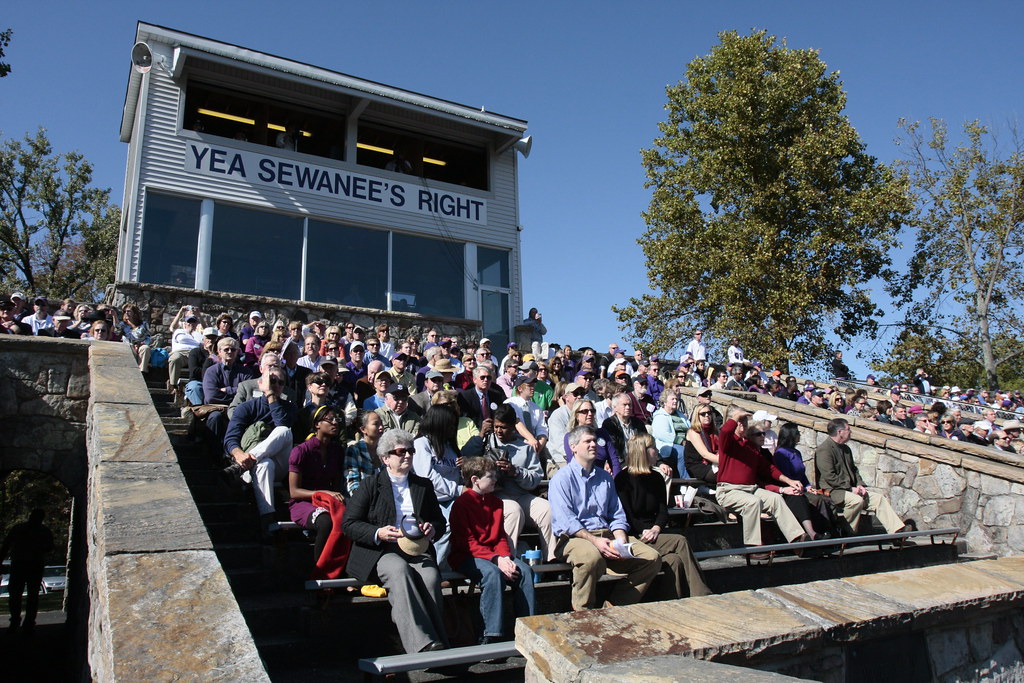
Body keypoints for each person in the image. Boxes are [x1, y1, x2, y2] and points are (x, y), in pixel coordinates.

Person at [341, 429, 449, 653]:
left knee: (430, 576)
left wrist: (431, 528)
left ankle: (440, 641)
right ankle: (422, 643)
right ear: (385, 458)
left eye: (410, 450)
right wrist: (378, 533)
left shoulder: (423, 485)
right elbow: (349, 523)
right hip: (382, 550)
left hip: (416, 548)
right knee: (399, 570)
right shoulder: (371, 485)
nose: (407, 455)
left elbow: (438, 521)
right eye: (400, 452)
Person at [549, 425, 662, 611]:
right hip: (575, 537)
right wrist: (595, 541)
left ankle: (614, 607)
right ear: (573, 446)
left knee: (651, 558)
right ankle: (582, 612)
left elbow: (616, 513)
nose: (594, 445)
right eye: (588, 441)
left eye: (594, 441)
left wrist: (620, 538)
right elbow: (567, 521)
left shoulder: (605, 478)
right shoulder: (561, 479)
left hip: (606, 535)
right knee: (591, 557)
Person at [449, 456, 536, 644]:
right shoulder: (461, 504)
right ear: (475, 480)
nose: (495, 480)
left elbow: (500, 537)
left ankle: (528, 630)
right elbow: (467, 543)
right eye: (490, 476)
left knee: (525, 572)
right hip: (467, 556)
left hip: (493, 554)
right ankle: (490, 635)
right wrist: (497, 559)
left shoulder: (496, 503)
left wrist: (505, 557)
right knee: (491, 574)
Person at [614, 434, 711, 599]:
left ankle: (672, 600)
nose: (657, 452)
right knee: (680, 541)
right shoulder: (623, 480)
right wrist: (646, 531)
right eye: (653, 448)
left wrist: (656, 528)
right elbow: (626, 515)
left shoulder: (656, 477)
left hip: (653, 532)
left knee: (674, 560)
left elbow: (662, 510)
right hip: (634, 535)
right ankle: (702, 594)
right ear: (642, 452)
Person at [461, 405, 554, 560]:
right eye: (496, 427)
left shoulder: (525, 448)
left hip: (521, 494)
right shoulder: (487, 442)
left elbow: (535, 478)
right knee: (514, 511)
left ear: (513, 427)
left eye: (503, 428)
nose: (498, 431)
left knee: (547, 509)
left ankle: (551, 559)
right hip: (495, 496)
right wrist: (481, 434)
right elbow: (466, 455)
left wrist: (515, 471)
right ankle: (506, 559)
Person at [716, 407, 808, 551]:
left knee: (776, 499)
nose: (742, 425)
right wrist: (735, 417)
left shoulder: (750, 447)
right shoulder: (728, 442)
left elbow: (769, 469)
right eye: (739, 422)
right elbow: (725, 432)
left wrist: (789, 481)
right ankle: (752, 546)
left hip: (750, 489)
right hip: (728, 490)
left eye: (745, 422)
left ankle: (797, 537)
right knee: (753, 502)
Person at [224, 367, 298, 531]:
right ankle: (268, 517)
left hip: (281, 462)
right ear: (260, 383)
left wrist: (271, 396)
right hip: (254, 465)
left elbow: (281, 423)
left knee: (284, 430)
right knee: (264, 464)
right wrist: (239, 455)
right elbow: (231, 437)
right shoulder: (247, 407)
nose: (276, 385)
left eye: (280, 382)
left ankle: (239, 468)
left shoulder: (289, 408)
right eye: (272, 381)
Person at [814, 418, 909, 536]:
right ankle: (846, 531)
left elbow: (854, 470)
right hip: (832, 490)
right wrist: (850, 489)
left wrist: (859, 485)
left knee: (878, 499)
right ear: (840, 432)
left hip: (849, 488)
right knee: (856, 501)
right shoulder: (824, 450)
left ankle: (896, 532)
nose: (851, 432)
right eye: (848, 429)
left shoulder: (846, 449)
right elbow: (829, 476)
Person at [288, 406, 346, 564]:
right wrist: (324, 492)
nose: (335, 423)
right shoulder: (301, 451)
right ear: (317, 424)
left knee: (349, 518)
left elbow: (335, 485)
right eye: (330, 419)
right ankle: (320, 570)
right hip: (303, 503)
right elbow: (294, 492)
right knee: (325, 521)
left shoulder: (336, 451)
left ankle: (342, 568)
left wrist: (330, 495)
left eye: (337, 420)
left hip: (327, 500)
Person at [412, 404, 464, 569]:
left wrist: (465, 468)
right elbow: (428, 476)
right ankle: (435, 569)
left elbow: (455, 476)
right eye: (449, 425)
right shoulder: (421, 444)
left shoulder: (450, 447)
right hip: (431, 501)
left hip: (452, 498)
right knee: (447, 523)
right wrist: (458, 490)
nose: (452, 429)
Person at [1, 508, 53, 631]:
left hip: (24, 563)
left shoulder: (20, 529)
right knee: (27, 594)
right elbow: (50, 547)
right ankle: (25, 621)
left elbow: (6, 545)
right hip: (29, 564)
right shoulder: (43, 531)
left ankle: (20, 621)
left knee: (19, 594)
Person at [562, 398, 621, 476]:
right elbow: (572, 462)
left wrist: (617, 480)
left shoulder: (602, 433)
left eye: (592, 411)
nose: (590, 414)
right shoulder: (570, 437)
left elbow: (614, 460)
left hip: (601, 477)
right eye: (585, 411)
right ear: (576, 415)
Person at [344, 410, 385, 496]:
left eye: (381, 423)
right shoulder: (354, 450)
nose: (381, 427)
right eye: (376, 424)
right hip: (363, 500)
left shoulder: (385, 450)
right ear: (363, 429)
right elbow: (352, 485)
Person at [651, 390, 690, 477]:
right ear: (664, 402)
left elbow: (689, 428)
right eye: (672, 399)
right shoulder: (660, 416)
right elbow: (662, 434)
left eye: (676, 399)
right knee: (682, 452)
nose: (675, 401)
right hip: (668, 445)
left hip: (687, 442)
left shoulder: (680, 414)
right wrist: (681, 441)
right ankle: (686, 482)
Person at [684, 403, 720, 489]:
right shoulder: (693, 432)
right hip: (698, 465)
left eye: (709, 413)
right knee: (727, 475)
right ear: (697, 416)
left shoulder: (714, 431)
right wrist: (727, 462)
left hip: (712, 462)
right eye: (703, 414)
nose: (707, 415)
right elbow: (705, 454)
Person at [602, 392, 647, 458]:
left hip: (640, 461)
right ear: (615, 408)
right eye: (624, 405)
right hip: (622, 464)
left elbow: (648, 443)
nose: (628, 407)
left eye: (630, 405)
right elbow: (613, 451)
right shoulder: (609, 424)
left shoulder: (638, 423)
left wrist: (659, 463)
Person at [118, 303, 153, 372]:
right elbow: (117, 331)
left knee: (146, 348)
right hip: (128, 345)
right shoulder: (123, 325)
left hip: (141, 344)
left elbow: (149, 336)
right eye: (125, 311)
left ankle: (142, 371)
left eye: (128, 311)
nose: (126, 313)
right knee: (130, 349)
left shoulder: (143, 324)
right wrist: (114, 316)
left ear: (134, 313)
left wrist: (142, 343)